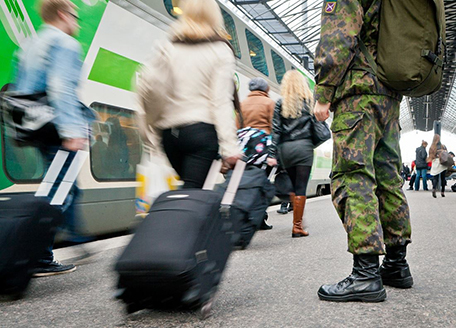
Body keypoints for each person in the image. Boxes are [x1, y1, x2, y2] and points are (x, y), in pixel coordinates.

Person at [314, 0, 412, 302]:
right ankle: (396, 265)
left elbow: (340, 34)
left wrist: (324, 90)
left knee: (353, 175)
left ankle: (366, 274)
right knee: (387, 178)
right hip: (388, 95)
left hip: (358, 93)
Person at [12, 0, 95, 276]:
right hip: (58, 128)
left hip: (38, 127)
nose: (77, 23)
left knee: (64, 187)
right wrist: (71, 130)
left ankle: (69, 240)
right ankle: (36, 255)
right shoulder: (65, 44)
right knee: (57, 192)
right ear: (62, 14)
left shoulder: (29, 45)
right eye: (75, 16)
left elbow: (21, 91)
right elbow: (61, 89)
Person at [137, 0, 240, 189]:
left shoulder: (168, 46)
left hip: (169, 136)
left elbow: (148, 90)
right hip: (201, 134)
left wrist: (151, 133)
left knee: (190, 192)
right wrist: (229, 147)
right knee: (193, 196)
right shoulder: (220, 50)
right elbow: (221, 102)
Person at [269, 70, 315, 238]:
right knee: (301, 186)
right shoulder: (309, 102)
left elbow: (276, 132)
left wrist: (272, 154)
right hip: (304, 148)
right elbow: (315, 127)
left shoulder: (281, 103)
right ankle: (297, 226)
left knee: (293, 186)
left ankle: (294, 215)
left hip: (286, 150)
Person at [239, 77, 276, 230]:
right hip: (263, 148)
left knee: (247, 182)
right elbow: (275, 127)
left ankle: (244, 217)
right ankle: (260, 217)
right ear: (266, 89)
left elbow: (237, 127)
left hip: (246, 149)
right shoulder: (269, 103)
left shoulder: (241, 104)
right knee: (262, 181)